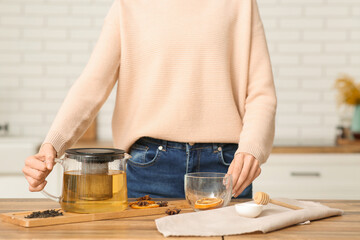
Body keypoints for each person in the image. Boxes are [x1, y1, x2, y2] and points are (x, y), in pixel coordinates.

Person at [23, 0, 277, 199]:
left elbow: (261, 94)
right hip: (149, 167)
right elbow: (92, 85)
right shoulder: (128, 5)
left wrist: (252, 148)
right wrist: (52, 145)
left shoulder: (241, 3)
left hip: (224, 169)